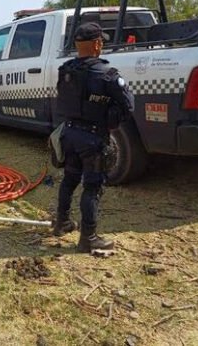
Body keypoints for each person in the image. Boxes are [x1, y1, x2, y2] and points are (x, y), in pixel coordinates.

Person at [52, 22, 134, 253]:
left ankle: (62, 222)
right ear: (98, 44)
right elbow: (128, 106)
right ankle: (88, 237)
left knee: (69, 179)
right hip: (92, 138)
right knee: (92, 186)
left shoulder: (65, 70)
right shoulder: (107, 75)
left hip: (68, 133)